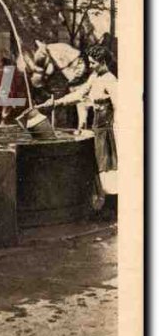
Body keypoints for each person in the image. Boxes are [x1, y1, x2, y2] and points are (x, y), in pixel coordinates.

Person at [37, 43, 117, 217]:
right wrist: (55, 103)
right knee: (99, 165)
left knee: (107, 167)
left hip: (107, 128)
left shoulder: (110, 81)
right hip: (97, 126)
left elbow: (120, 107)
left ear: (103, 62)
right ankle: (104, 206)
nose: (91, 66)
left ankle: (111, 208)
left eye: (94, 63)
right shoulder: (95, 77)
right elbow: (79, 94)